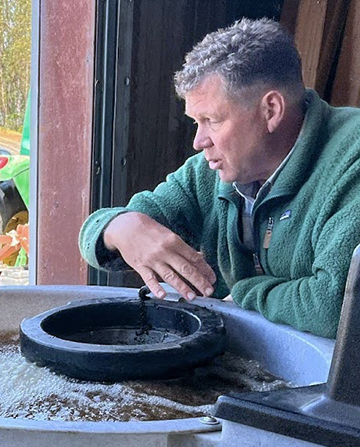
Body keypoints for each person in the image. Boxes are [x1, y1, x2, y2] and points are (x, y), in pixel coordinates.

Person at [79, 17, 360, 340]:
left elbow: (336, 305)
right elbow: (93, 235)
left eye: (211, 120)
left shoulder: (352, 161)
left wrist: (244, 295)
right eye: (195, 122)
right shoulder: (209, 171)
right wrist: (123, 228)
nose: (198, 142)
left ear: (271, 110)